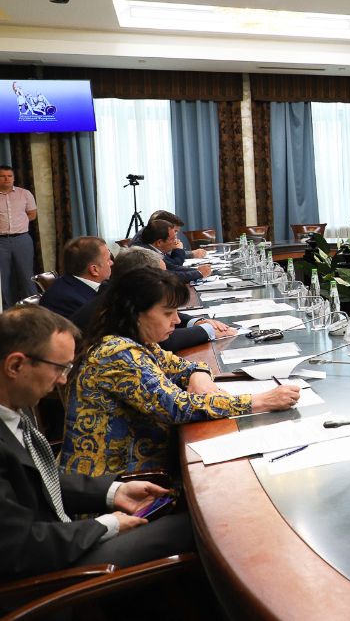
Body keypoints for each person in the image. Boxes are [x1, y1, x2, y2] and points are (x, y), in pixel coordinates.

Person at [0, 305, 193, 580]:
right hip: (42, 573)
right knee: (196, 525)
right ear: (15, 365)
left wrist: (114, 492)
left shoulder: (12, 411)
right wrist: (107, 525)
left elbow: (36, 479)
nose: (63, 380)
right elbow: (18, 547)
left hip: (59, 539)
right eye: (59, 368)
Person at [60, 269, 299, 476]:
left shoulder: (139, 341)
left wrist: (198, 375)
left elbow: (183, 366)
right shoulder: (116, 353)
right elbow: (178, 407)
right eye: (168, 313)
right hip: (119, 483)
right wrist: (261, 401)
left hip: (142, 468)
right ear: (135, 313)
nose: (176, 320)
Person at [71, 248, 235, 352]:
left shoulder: (116, 294)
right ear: (143, 279)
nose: (166, 279)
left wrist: (197, 322)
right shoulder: (114, 315)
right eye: (160, 276)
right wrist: (208, 330)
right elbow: (163, 343)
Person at [40, 236, 113, 318]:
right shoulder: (65, 301)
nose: (112, 263)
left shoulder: (75, 283)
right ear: (94, 270)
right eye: (108, 260)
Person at [0, 165, 37, 308]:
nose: (6, 179)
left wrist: (20, 222)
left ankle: (33, 309)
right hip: (1, 242)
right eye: (3, 176)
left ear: (14, 178)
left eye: (9, 176)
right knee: (4, 278)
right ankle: (9, 311)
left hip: (22, 239)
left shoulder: (24, 194)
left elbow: (32, 214)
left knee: (27, 276)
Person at [134, 219, 211, 282]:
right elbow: (169, 276)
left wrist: (198, 271)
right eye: (172, 239)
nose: (176, 241)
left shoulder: (155, 249)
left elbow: (172, 267)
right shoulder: (146, 255)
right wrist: (198, 273)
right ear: (159, 242)